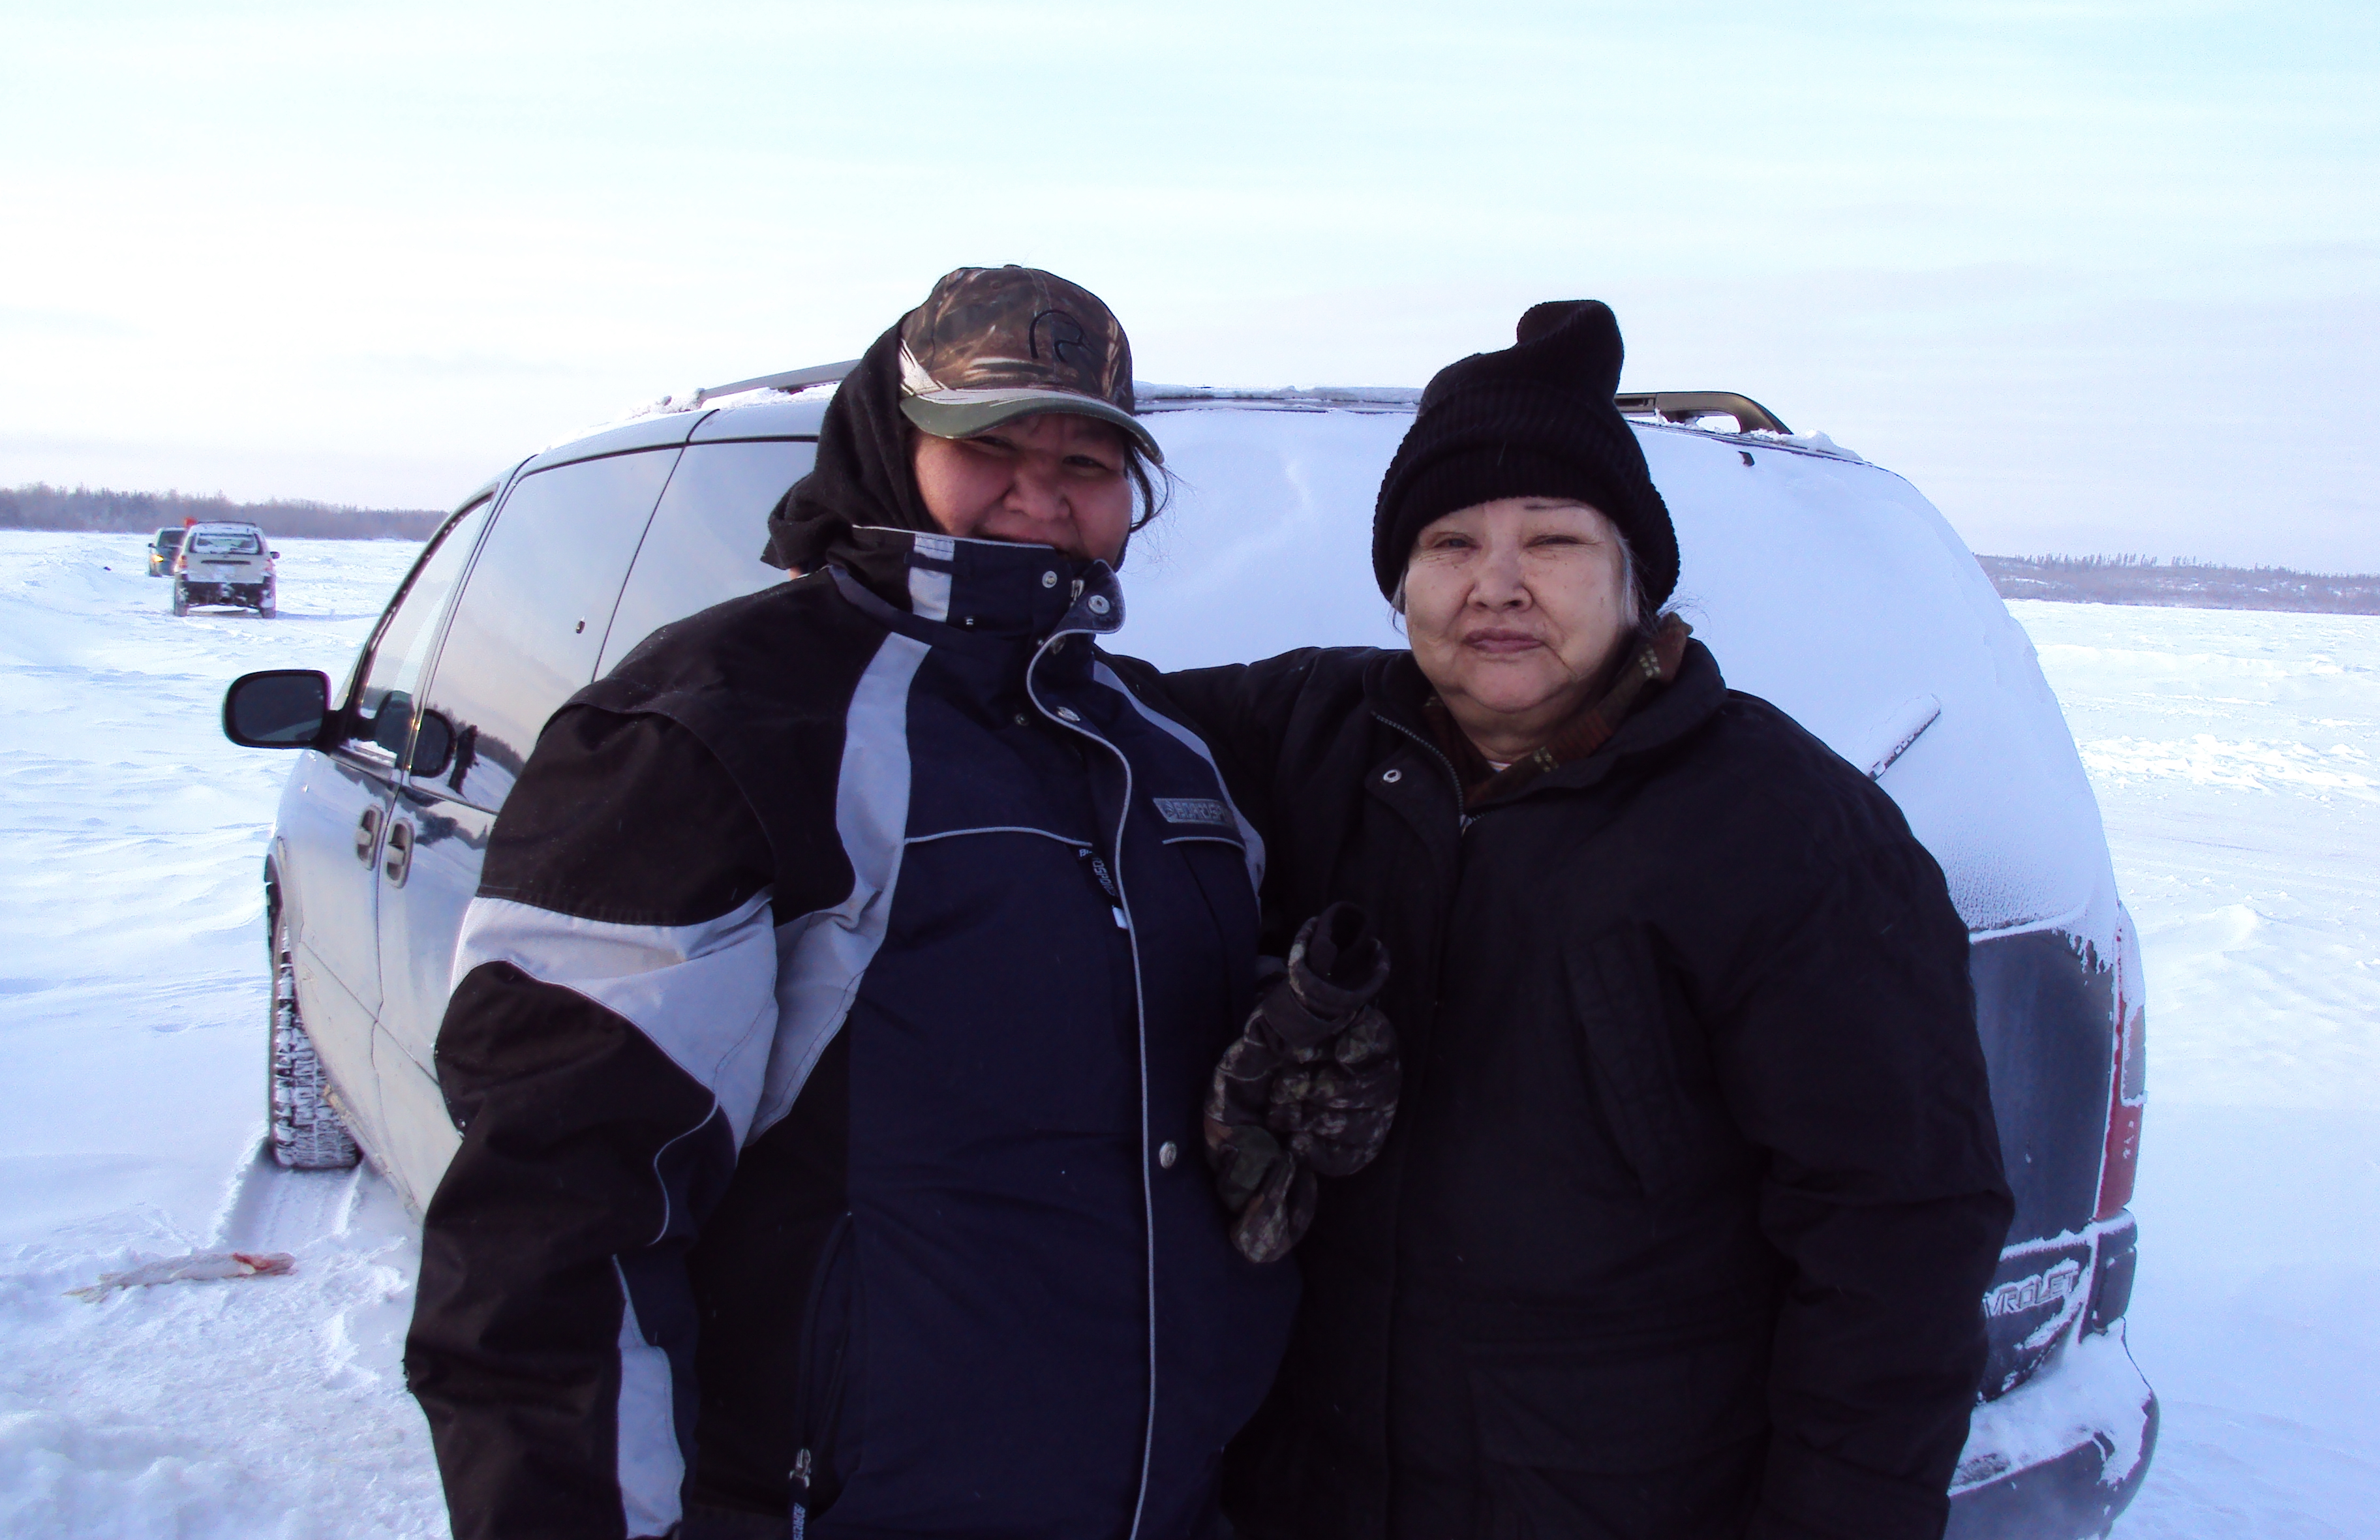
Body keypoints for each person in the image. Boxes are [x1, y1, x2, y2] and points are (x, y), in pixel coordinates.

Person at [404, 265, 1303, 1540]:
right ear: (893, 446)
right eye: (991, 446)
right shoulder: (718, 728)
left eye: (1088, 458)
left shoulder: (1158, 746)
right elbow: (555, 1225)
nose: (1041, 494)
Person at [1161, 301, 2015, 1539]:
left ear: (1635, 575)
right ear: (1399, 579)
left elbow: (1898, 1245)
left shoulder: (1786, 836)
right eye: (1451, 542)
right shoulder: (1321, 738)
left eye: (1552, 540)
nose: (1496, 585)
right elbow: (1048, 716)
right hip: (1319, 1489)